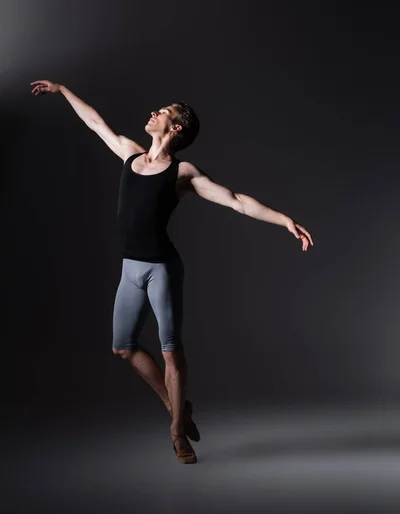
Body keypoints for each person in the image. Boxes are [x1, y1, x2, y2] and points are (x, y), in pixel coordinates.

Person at [30, 79, 314, 465]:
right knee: (123, 347)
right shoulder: (130, 155)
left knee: (171, 353)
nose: (153, 113)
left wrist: (284, 220)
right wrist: (62, 91)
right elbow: (96, 123)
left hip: (162, 269)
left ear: (175, 128)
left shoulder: (181, 172)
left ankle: (179, 433)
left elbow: (235, 201)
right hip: (130, 267)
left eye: (162, 112)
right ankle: (175, 406)